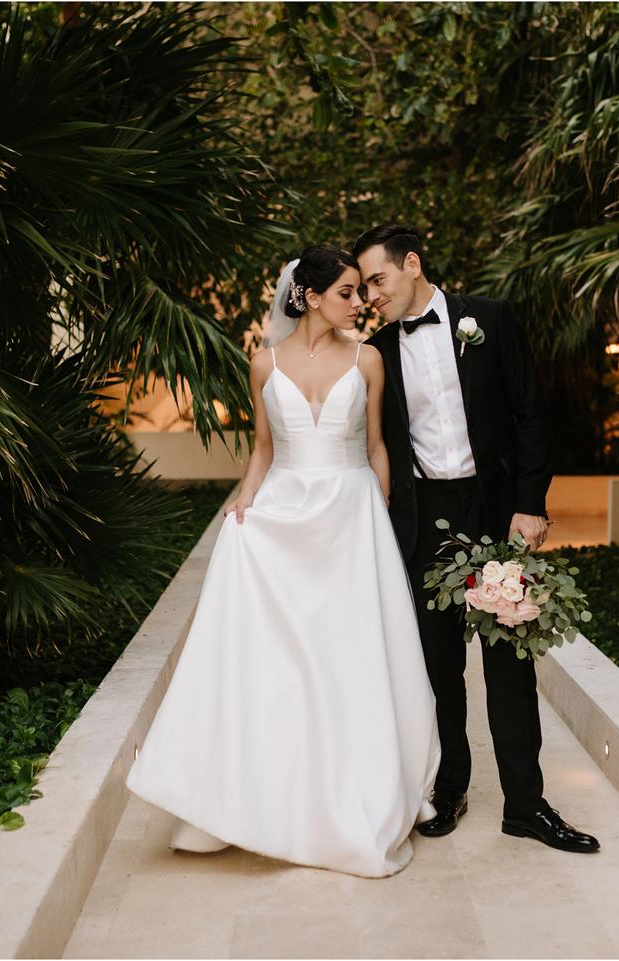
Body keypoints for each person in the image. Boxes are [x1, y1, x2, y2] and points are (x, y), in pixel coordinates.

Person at [125, 245, 441, 878]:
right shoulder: (263, 362)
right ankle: (270, 791)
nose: (361, 303)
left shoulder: (369, 359)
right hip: (287, 514)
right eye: (348, 293)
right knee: (286, 658)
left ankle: (367, 782)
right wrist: (244, 502)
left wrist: (378, 512)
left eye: (361, 291)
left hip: (351, 516)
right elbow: (264, 447)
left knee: (352, 653)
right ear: (310, 297)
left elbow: (377, 447)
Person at [354, 224, 600, 854]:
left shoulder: (489, 319)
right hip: (424, 520)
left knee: (510, 663)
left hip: (495, 513)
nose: (371, 294)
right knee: (438, 666)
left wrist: (529, 504)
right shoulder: (378, 349)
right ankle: (451, 789)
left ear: (412, 264)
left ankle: (526, 804)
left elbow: (529, 414)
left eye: (378, 279)